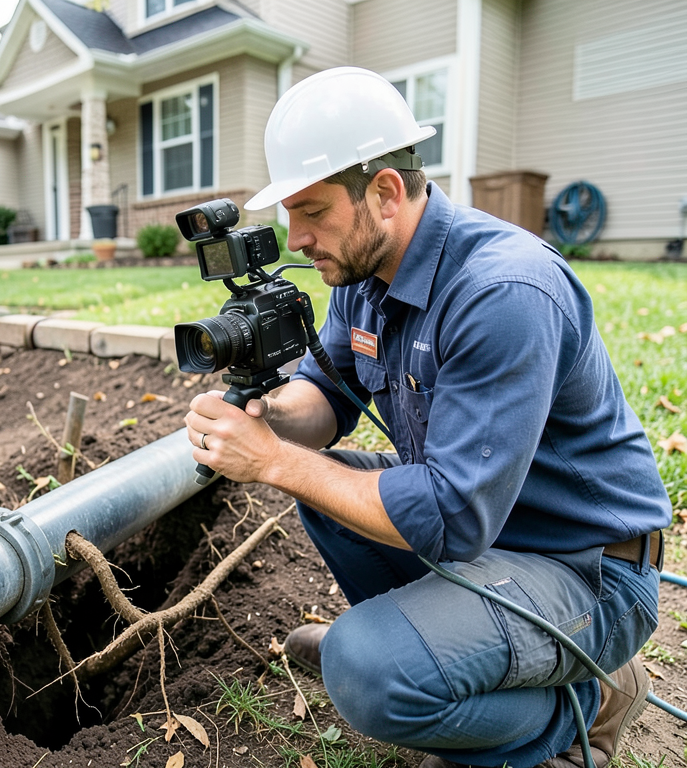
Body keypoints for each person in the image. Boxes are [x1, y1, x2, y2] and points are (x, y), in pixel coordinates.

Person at [183, 67, 671, 768]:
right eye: (290, 214)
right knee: (326, 492)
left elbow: (451, 515)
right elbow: (328, 395)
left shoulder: (503, 290)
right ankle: (443, 656)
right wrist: (264, 416)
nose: (297, 238)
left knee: (366, 670)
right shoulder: (364, 273)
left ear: (384, 192)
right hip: (495, 536)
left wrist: (274, 461)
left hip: (586, 567)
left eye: (312, 211)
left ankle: (589, 700)